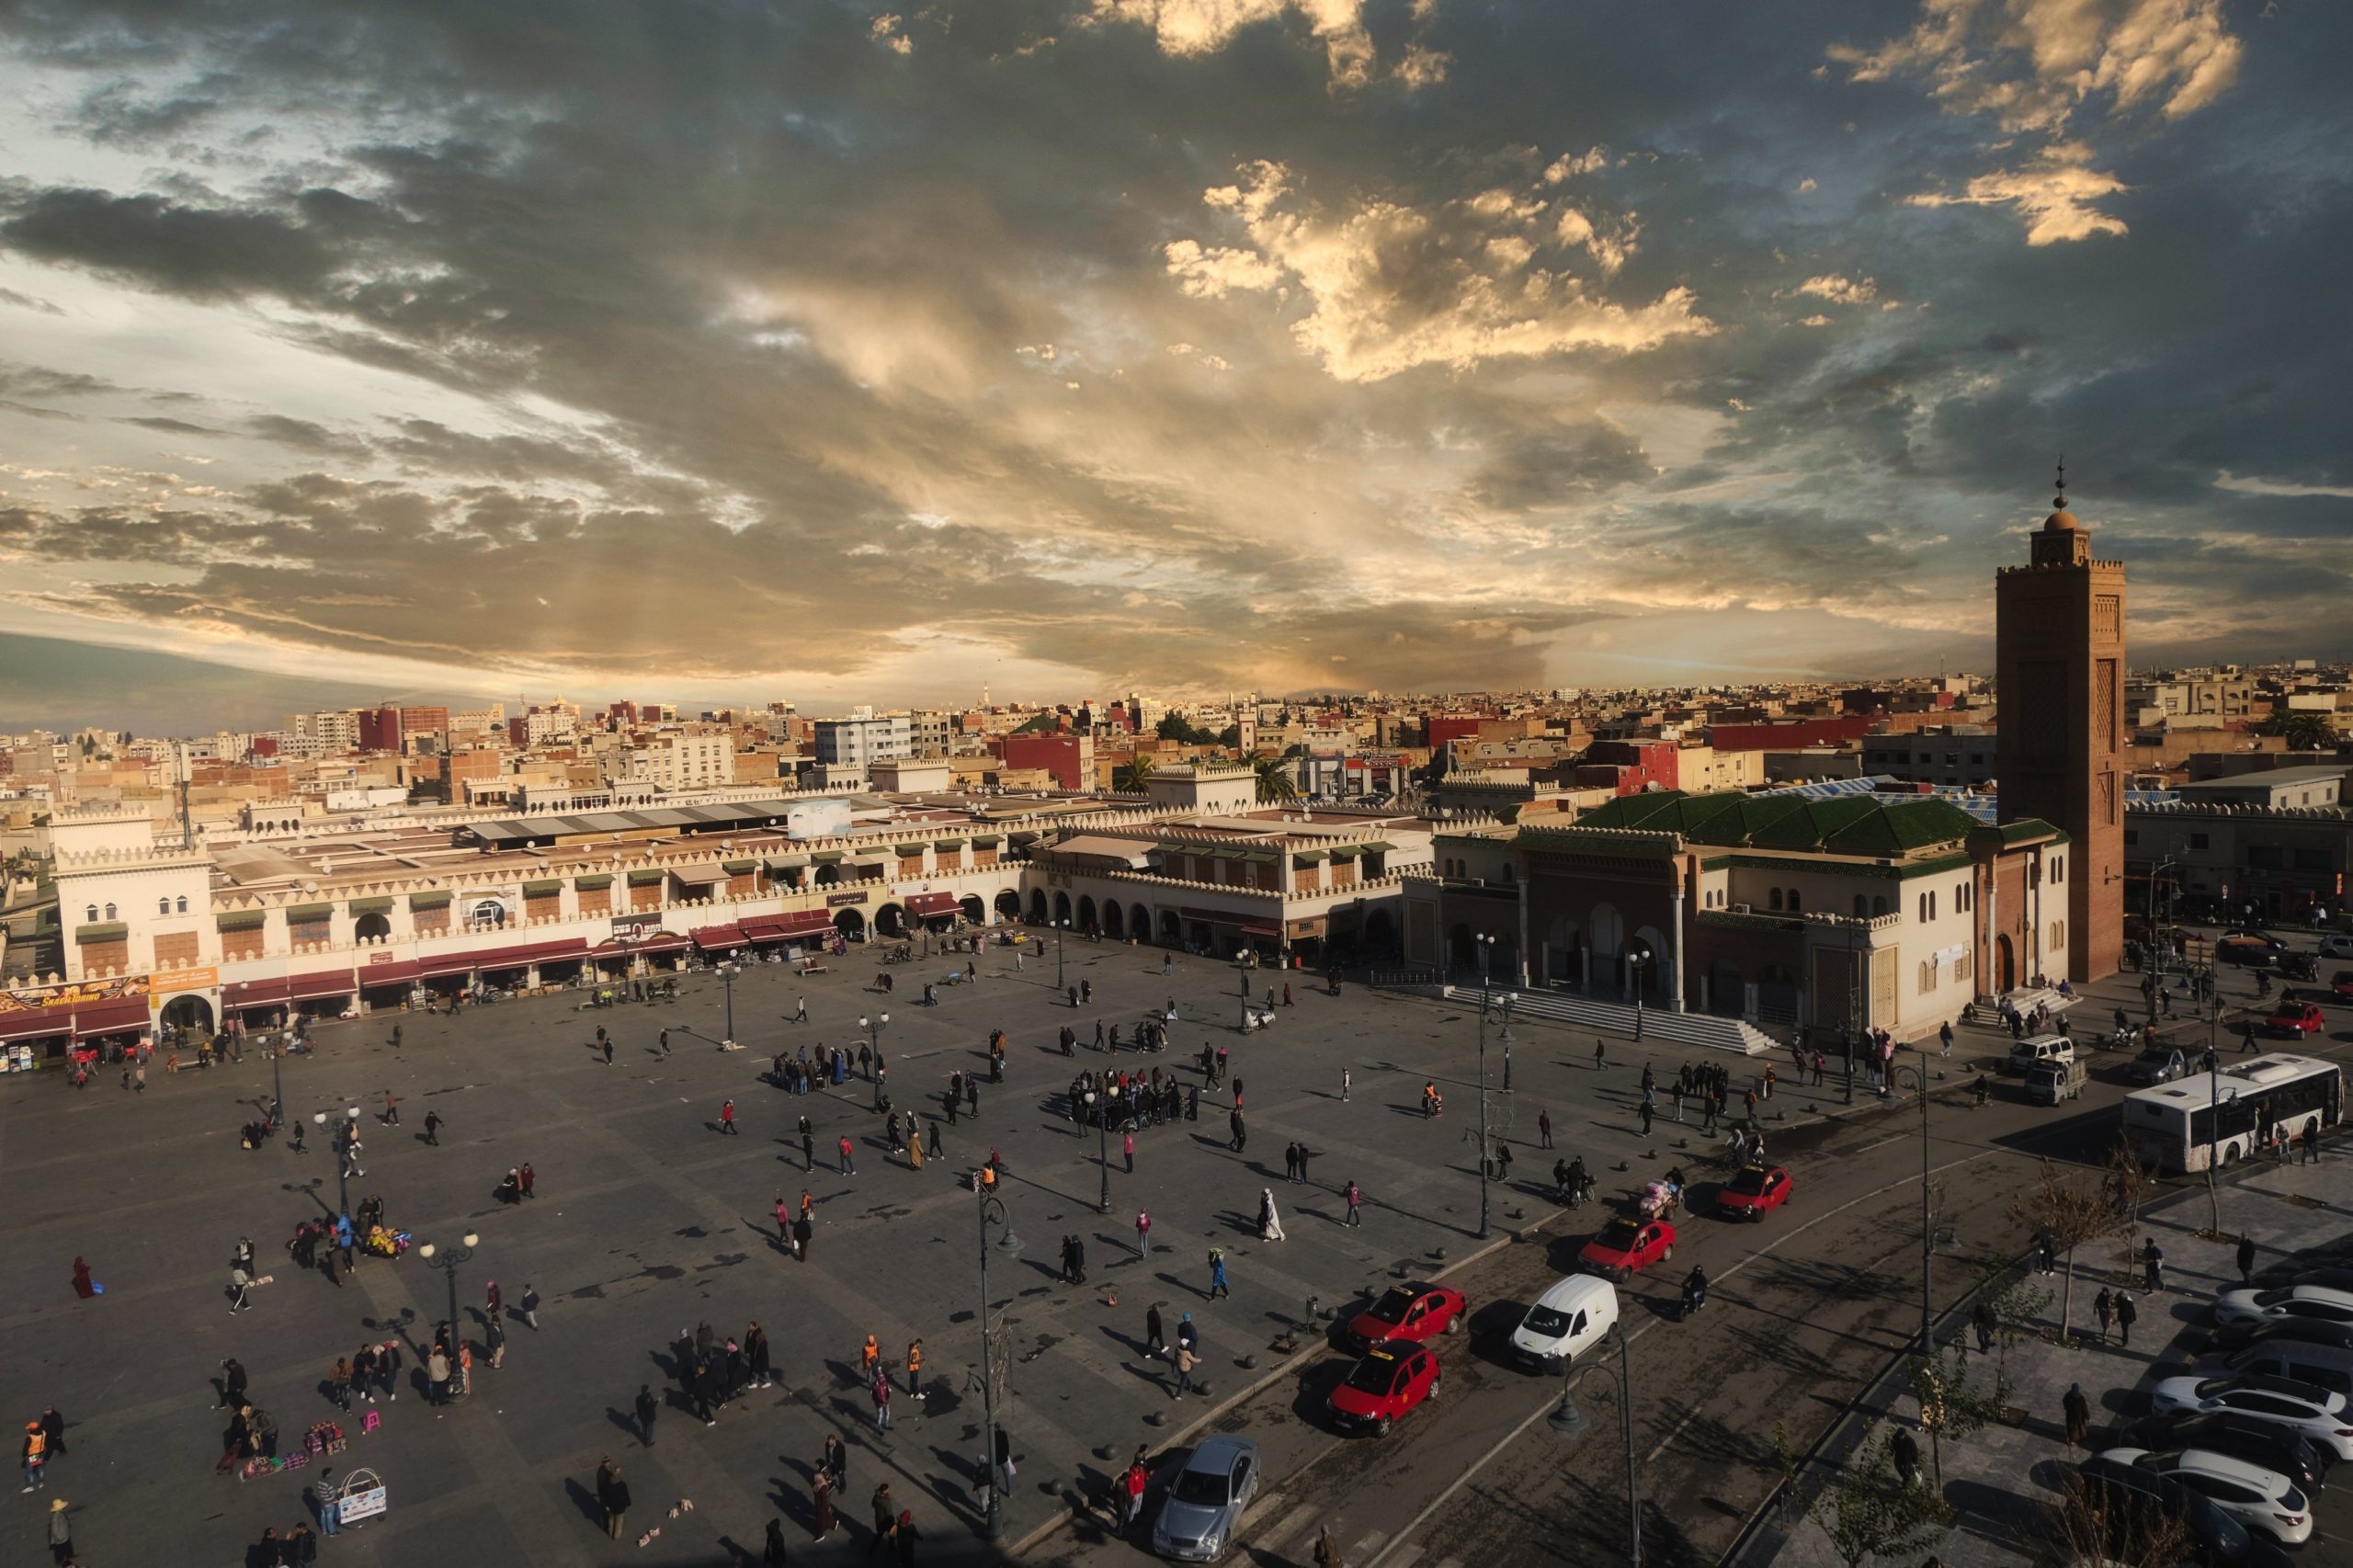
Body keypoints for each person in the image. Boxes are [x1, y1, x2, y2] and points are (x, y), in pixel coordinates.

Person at [2063, 1382, 2091, 1449]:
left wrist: (2067, 1408)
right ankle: (2081, 1438)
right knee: (2080, 1427)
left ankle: (2072, 1440)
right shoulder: (2081, 1398)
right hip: (2079, 1417)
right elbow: (2085, 1409)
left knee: (2072, 1429)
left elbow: (2064, 1402)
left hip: (2071, 1416)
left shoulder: (2068, 1395)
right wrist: (2088, 1417)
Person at [634, 1382, 658, 1446]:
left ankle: (644, 1440)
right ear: (647, 1390)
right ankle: (648, 1443)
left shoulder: (638, 1398)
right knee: (650, 1429)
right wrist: (657, 1401)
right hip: (649, 1416)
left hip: (642, 1417)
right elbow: (652, 1406)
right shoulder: (649, 1398)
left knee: (644, 1428)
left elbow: (638, 1407)